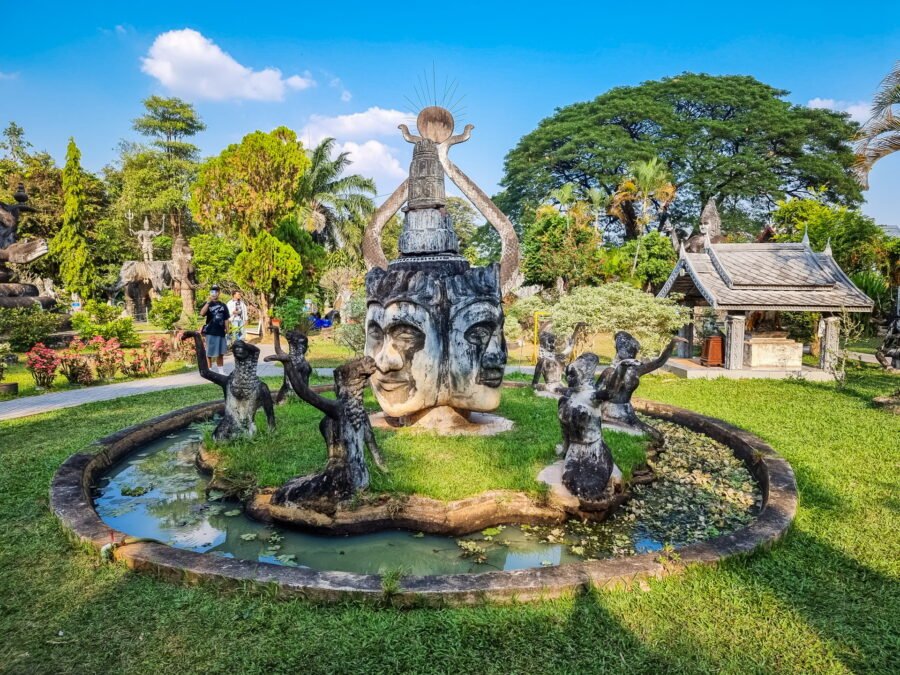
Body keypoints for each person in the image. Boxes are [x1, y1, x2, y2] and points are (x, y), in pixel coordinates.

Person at [200, 285, 230, 372]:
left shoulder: (223, 305)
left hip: (220, 332)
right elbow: (202, 313)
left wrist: (227, 331)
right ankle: (209, 370)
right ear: (210, 293)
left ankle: (221, 371)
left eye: (216, 292)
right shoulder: (208, 304)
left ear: (219, 293)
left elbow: (226, 319)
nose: (214, 294)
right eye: (212, 292)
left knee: (220, 353)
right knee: (209, 352)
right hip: (210, 331)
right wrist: (208, 302)